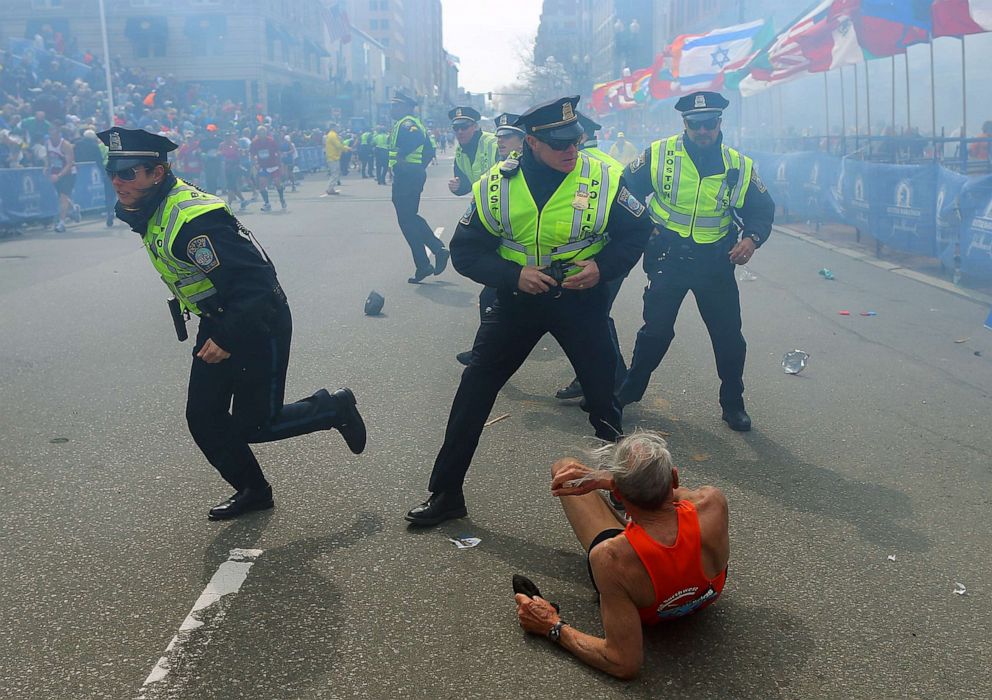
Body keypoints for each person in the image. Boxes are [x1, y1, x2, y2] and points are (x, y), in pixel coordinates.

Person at [405, 96, 653, 527]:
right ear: (532, 143)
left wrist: (603, 268)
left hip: (581, 302)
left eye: (575, 139)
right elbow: (465, 252)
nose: (571, 150)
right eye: (559, 143)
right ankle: (445, 493)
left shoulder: (603, 176)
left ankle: (627, 497)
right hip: (517, 302)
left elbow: (638, 231)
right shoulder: (496, 184)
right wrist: (512, 275)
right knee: (473, 393)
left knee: (603, 403)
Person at [97, 126, 367, 520]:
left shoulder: (193, 219)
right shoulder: (152, 203)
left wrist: (227, 335)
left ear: (157, 173)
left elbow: (258, 283)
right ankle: (253, 491)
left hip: (257, 319)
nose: (117, 182)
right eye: (113, 173)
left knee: (255, 424)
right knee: (204, 417)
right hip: (220, 316)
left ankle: (334, 408)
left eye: (129, 173)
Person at [615, 91, 775, 432]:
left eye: (709, 124)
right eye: (695, 124)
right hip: (668, 257)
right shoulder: (659, 154)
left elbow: (762, 210)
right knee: (655, 332)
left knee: (729, 337)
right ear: (684, 124)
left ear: (719, 123)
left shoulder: (739, 165)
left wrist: (751, 238)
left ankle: (733, 402)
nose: (703, 131)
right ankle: (629, 391)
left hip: (714, 262)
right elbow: (624, 188)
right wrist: (643, 225)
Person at [513, 431, 729, 679]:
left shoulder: (610, 557)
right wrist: (611, 481)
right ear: (675, 477)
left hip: (648, 605)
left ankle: (632, 519)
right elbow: (673, 495)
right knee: (654, 522)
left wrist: (551, 625)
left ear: (617, 494)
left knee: (562, 468)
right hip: (706, 594)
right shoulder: (713, 502)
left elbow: (623, 662)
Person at [555, 112, 629, 401]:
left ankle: (610, 381)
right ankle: (600, 379)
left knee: (593, 318)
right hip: (608, 258)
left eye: (568, 139)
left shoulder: (590, 168)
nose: (564, 147)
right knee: (594, 318)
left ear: (581, 137)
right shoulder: (611, 164)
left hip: (598, 259)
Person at [455, 112, 525, 367]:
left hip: (536, 255)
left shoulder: (526, 168)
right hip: (512, 252)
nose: (501, 141)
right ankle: (484, 355)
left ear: (522, 140)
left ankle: (611, 378)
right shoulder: (504, 168)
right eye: (499, 137)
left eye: (507, 136)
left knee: (575, 328)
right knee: (492, 299)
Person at [388, 91, 448, 283]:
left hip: (406, 177)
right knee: (410, 218)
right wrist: (416, 168)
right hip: (410, 175)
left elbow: (418, 140)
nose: (392, 108)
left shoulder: (408, 123)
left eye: (396, 105)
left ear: (405, 107)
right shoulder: (409, 123)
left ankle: (425, 262)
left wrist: (402, 161)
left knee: (406, 221)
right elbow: (429, 149)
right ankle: (434, 253)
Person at [447, 106, 498, 196]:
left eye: (464, 127)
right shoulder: (460, 151)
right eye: (456, 128)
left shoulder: (494, 144)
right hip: (483, 200)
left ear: (475, 127)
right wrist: (457, 187)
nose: (460, 131)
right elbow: (466, 184)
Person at [73, 128, 115, 227]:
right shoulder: (96, 146)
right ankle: (114, 211)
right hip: (112, 171)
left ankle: (109, 212)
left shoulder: (78, 144)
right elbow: (98, 160)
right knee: (114, 193)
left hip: (84, 171)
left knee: (107, 194)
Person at [46, 124, 79, 233]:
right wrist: (47, 169)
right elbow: (49, 158)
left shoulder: (66, 145)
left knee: (63, 198)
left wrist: (59, 175)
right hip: (55, 172)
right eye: (50, 134)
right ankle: (74, 208)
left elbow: (69, 164)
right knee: (61, 197)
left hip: (68, 173)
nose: (52, 136)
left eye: (54, 134)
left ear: (59, 134)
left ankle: (61, 223)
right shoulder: (47, 143)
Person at [251, 125, 287, 211]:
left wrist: (280, 164)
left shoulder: (271, 141)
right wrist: (255, 164)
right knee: (262, 185)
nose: (262, 134)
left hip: (273, 165)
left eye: (263, 132)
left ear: (266, 133)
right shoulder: (255, 142)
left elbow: (278, 152)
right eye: (260, 132)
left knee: (277, 183)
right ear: (258, 133)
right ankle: (267, 203)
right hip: (263, 166)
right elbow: (252, 154)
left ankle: (282, 199)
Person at [220, 131, 249, 212]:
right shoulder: (222, 145)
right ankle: (243, 200)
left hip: (234, 167)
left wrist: (232, 160)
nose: (227, 138)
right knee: (233, 187)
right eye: (226, 136)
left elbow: (238, 156)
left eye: (229, 136)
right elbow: (220, 154)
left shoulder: (235, 144)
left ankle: (228, 204)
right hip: (226, 168)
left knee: (230, 186)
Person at [323, 123, 345, 196]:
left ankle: (331, 188)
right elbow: (338, 145)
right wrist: (346, 148)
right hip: (333, 157)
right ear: (333, 127)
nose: (338, 128)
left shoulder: (332, 134)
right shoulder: (333, 135)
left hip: (333, 156)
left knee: (335, 173)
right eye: (337, 127)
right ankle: (330, 189)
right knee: (335, 173)